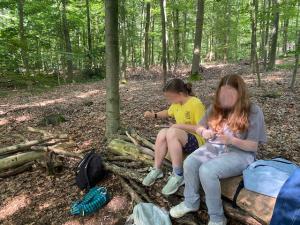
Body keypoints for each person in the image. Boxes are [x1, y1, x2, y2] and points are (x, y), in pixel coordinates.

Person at [169, 74, 267, 225]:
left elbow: (252, 146)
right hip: (213, 147)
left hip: (241, 153)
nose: (225, 98)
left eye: (230, 94)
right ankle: (191, 202)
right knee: (189, 162)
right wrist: (204, 132)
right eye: (222, 94)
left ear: (240, 93)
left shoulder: (253, 111)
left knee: (207, 171)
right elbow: (199, 126)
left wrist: (232, 140)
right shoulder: (215, 108)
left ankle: (217, 218)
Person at [142, 78, 206, 196]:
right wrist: (154, 115)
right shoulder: (176, 104)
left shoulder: (196, 104)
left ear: (181, 94)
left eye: (171, 97)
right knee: (162, 133)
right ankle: (156, 169)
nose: (169, 100)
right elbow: (167, 112)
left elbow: (202, 128)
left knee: (172, 131)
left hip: (198, 143)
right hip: (182, 139)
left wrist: (178, 126)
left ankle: (178, 175)